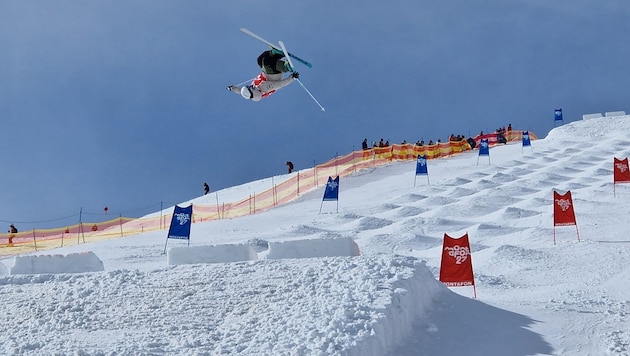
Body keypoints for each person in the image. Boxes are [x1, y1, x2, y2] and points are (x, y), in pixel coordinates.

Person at [227, 49, 300, 102]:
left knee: (259, 60)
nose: (250, 86)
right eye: (250, 88)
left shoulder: (251, 92)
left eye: (249, 87)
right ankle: (285, 67)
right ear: (253, 92)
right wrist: (292, 78)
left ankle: (275, 54)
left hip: (267, 74)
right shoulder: (264, 88)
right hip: (274, 76)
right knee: (266, 62)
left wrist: (232, 88)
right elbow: (281, 84)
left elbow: (240, 91)